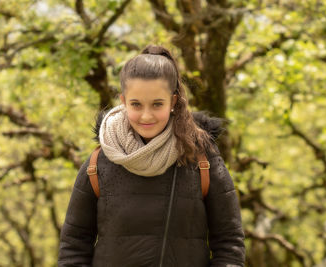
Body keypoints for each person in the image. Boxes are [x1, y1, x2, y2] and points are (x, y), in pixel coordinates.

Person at [58, 44, 245, 267]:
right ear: (123, 101)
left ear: (173, 102)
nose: (146, 116)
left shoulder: (203, 160)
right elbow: (73, 247)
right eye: (136, 104)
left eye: (157, 104)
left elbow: (229, 244)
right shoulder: (99, 162)